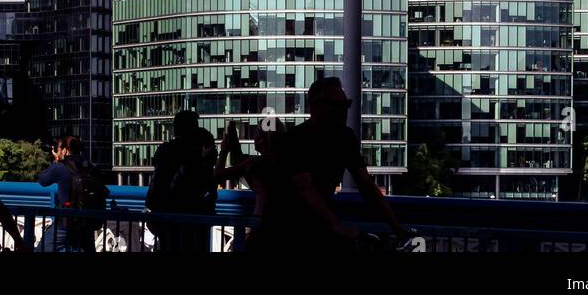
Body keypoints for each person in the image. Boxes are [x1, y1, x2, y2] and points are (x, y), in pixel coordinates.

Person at [280, 77, 408, 251]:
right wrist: (335, 224)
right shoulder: (295, 139)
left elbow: (367, 186)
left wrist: (399, 229)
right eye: (336, 106)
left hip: (320, 226)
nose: (344, 111)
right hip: (288, 227)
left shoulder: (345, 138)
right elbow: (304, 186)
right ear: (316, 107)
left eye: (346, 104)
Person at [215, 116, 293, 254]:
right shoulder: (289, 165)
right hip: (285, 225)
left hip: (260, 224)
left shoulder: (254, 164)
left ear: (261, 139)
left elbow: (218, 175)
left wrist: (224, 150)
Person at [146, 109, 217, 253]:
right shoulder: (192, 158)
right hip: (187, 221)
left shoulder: (164, 150)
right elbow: (204, 186)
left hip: (162, 218)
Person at [37, 136, 106, 253]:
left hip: (65, 223)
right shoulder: (89, 166)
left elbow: (42, 180)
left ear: (65, 150)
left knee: (41, 249)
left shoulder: (60, 167)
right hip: (86, 222)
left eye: (59, 148)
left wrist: (56, 161)